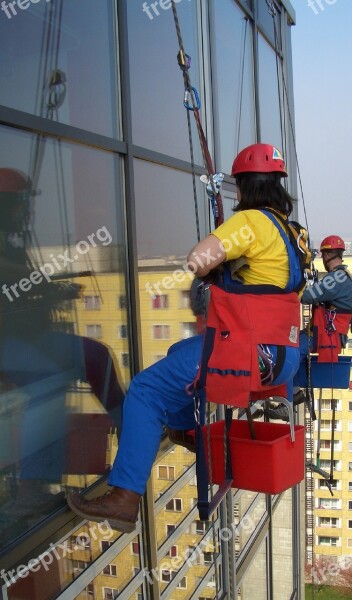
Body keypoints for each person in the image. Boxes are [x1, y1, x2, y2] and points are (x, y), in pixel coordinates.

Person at [67, 143, 308, 533]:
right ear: (279, 185)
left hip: (251, 353)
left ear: (243, 187)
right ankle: (186, 428)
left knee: (145, 389)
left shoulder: (251, 222)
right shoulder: (292, 233)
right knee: (180, 352)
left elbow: (198, 258)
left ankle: (124, 498)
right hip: (282, 355)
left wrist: (218, 254)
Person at [0, 167, 124, 519]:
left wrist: (53, 290)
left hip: (26, 336)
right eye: (18, 204)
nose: (23, 212)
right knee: (48, 381)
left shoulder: (11, 241)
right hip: (6, 341)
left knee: (96, 355)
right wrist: (40, 279)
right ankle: (31, 488)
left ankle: (130, 429)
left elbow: (18, 289)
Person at [266, 234, 352, 420]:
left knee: (287, 353)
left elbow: (307, 296)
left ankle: (289, 400)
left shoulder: (336, 279)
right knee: (293, 347)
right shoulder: (346, 276)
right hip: (328, 332)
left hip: (325, 334)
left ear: (327, 256)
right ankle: (294, 392)